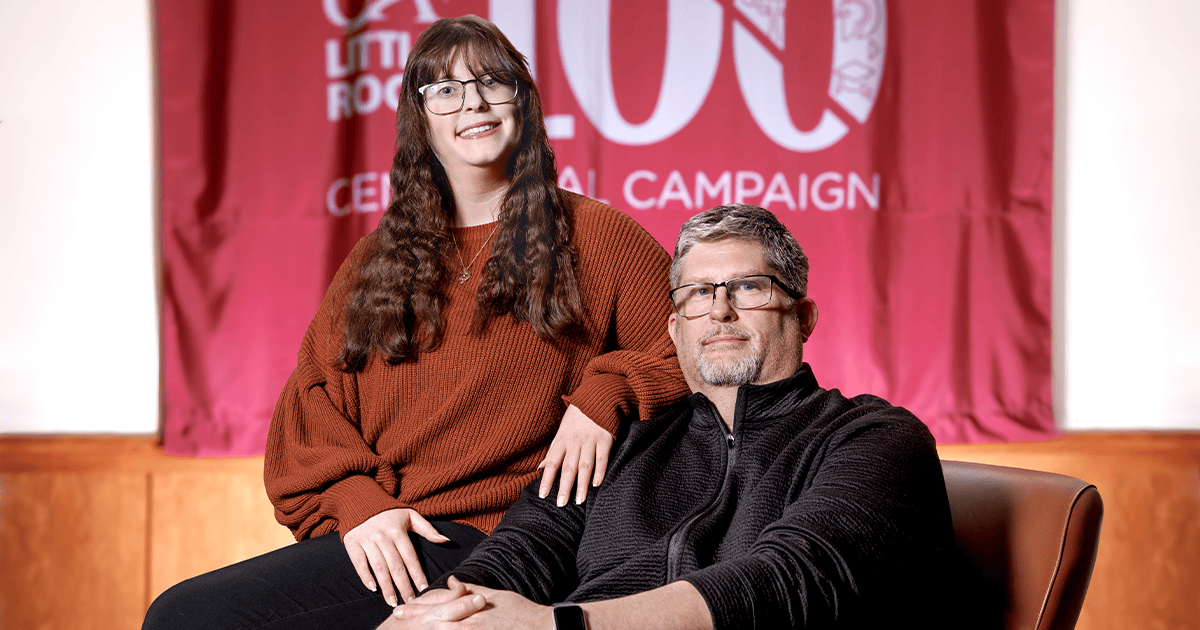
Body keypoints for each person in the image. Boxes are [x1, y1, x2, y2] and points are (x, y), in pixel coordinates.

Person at [143, 15, 686, 630]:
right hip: (386, 529)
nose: (473, 103)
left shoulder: (598, 236)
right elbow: (310, 401)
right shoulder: (379, 258)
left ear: (523, 102)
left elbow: (692, 349)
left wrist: (607, 392)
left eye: (492, 82)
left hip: (506, 541)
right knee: (182, 616)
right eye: (446, 90)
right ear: (420, 119)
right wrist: (358, 501)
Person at [380, 204, 959, 630]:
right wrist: (428, 619)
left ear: (803, 316)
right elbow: (521, 552)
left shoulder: (876, 438)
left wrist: (557, 626)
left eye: (749, 288)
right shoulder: (627, 441)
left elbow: (789, 581)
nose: (720, 310)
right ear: (674, 327)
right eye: (697, 295)